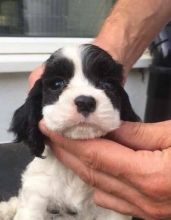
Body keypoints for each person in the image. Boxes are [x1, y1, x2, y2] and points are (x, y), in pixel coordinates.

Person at [29, 0, 171, 219]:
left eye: (105, 85)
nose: (84, 98)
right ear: (36, 105)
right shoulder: (40, 173)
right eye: (57, 85)